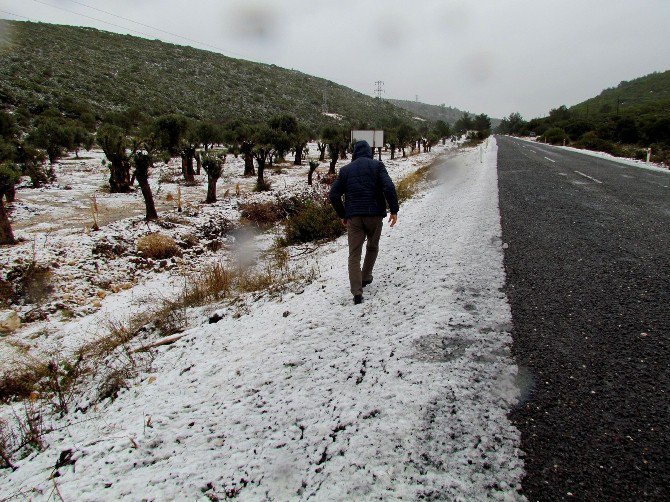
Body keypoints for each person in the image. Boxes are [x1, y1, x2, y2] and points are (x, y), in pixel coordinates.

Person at [329, 140, 399, 305]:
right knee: (372, 247)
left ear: (354, 153)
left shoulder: (345, 170)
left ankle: (357, 293)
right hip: (375, 215)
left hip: (354, 217)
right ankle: (366, 276)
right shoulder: (377, 166)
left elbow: (333, 195)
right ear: (370, 152)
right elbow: (388, 187)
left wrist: (343, 214)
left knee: (354, 254)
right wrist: (394, 210)